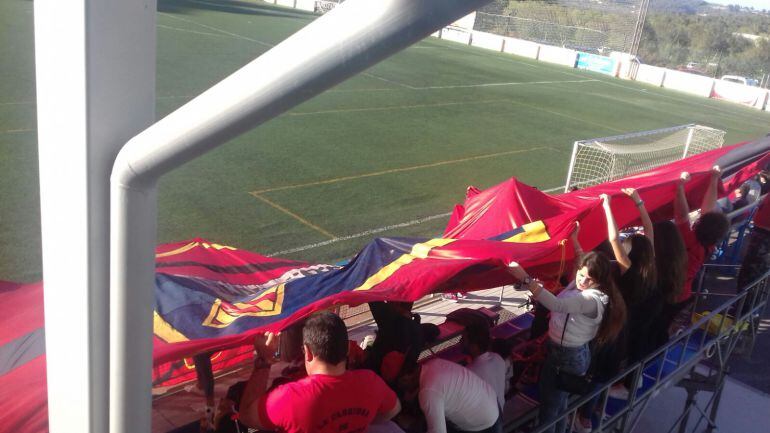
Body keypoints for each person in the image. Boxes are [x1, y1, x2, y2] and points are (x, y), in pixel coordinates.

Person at [507, 251, 626, 433]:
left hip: (567, 357)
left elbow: (557, 305)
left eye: (589, 279)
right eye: (581, 274)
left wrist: (525, 278)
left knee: (549, 408)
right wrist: (575, 239)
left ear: (600, 281)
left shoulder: (590, 299)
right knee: (560, 404)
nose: (582, 281)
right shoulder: (584, 286)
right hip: (569, 354)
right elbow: (580, 259)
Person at [239, 311, 401, 433]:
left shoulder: (289, 398)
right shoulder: (370, 382)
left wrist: (264, 360)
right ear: (346, 349)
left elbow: (246, 415)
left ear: (307, 352)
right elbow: (393, 409)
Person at [599, 191, 660, 402]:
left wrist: (607, 206)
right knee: (631, 349)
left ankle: (609, 389)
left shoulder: (627, 267)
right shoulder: (649, 262)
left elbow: (613, 238)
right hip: (641, 316)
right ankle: (631, 379)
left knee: (613, 355)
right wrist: (637, 200)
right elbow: (649, 229)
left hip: (623, 319)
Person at [396, 357, 502, 433]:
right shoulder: (434, 363)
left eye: (399, 384)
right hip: (493, 406)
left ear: (406, 378)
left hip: (483, 426)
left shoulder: (428, 392)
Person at [675, 167, 730, 302]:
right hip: (684, 293)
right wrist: (714, 179)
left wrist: (680, 185)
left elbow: (682, 214)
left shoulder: (690, 240)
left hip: (670, 293)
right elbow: (707, 210)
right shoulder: (707, 246)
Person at [461, 323, 507, 410]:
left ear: (474, 346)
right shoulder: (497, 358)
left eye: (463, 339)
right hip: (500, 410)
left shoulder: (469, 372)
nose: (460, 342)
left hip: (486, 420)